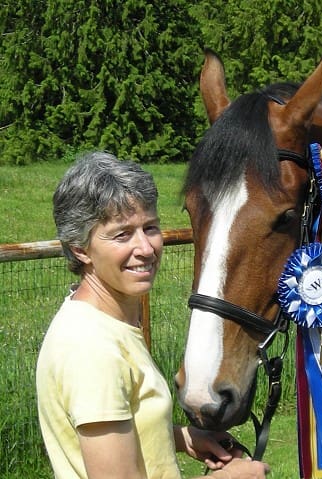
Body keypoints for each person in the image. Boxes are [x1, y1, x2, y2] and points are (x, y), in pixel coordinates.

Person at [36, 152, 270, 479]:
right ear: (80, 249)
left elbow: (124, 421)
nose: (146, 248)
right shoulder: (90, 349)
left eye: (150, 227)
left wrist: (182, 437)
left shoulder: (108, 325)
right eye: (122, 234)